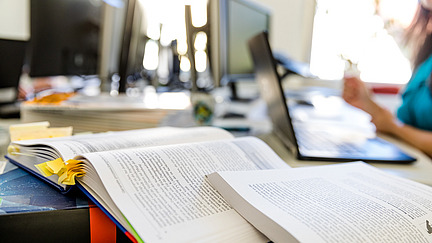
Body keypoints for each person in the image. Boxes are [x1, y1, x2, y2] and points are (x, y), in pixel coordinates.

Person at [342, 0, 432, 157]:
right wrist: (370, 106)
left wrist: (392, 126)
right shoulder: (427, 57)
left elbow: (399, 127)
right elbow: (407, 123)